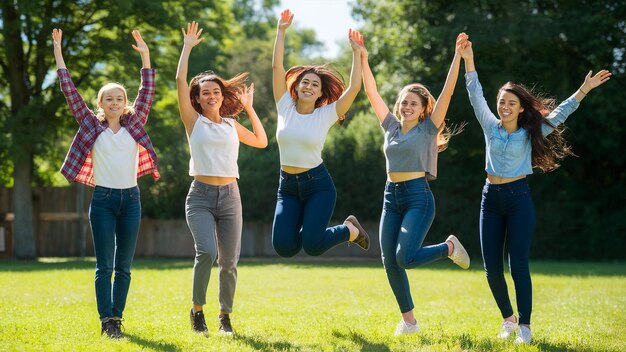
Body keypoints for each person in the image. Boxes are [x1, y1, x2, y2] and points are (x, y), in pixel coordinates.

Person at [459, 38, 611, 344]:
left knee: (518, 266)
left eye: (511, 103)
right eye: (502, 101)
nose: (504, 106)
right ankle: (508, 319)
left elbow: (560, 114)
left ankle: (525, 326)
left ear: (520, 108)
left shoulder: (532, 132)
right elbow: (475, 94)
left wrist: (585, 89)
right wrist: (468, 59)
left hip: (518, 200)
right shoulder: (490, 126)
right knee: (491, 269)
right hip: (490, 199)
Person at [361, 32, 472, 336]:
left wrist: (457, 57)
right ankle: (409, 322)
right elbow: (371, 92)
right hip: (390, 197)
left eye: (413, 103)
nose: (406, 106)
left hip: (417, 197)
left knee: (404, 257)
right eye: (403, 102)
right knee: (389, 260)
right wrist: (362, 56)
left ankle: (448, 247)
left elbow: (448, 93)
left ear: (423, 108)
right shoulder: (391, 128)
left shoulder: (428, 128)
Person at [53, 28, 159, 338]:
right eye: (108, 98)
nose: (114, 102)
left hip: (131, 201)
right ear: (100, 103)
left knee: (124, 267)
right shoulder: (90, 124)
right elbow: (69, 89)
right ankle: (106, 321)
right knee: (104, 267)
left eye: (119, 98)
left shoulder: (135, 123)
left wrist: (144, 53)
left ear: (125, 102)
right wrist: (59, 52)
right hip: (102, 200)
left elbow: (148, 88)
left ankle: (117, 318)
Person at [176, 21, 268, 336]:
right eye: (206, 93)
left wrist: (250, 108)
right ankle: (197, 311)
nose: (212, 96)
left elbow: (261, 140)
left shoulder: (230, 125)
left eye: (216, 91)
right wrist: (187, 46)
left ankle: (224, 316)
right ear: (197, 99)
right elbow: (179, 79)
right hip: (200, 196)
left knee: (228, 262)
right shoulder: (193, 122)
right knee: (207, 253)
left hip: (230, 196)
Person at [271, 9, 370, 258]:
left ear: (319, 93)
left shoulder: (325, 114)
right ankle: (313, 231)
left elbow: (354, 87)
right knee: (284, 247)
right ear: (297, 86)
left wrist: (357, 54)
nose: (309, 86)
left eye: (315, 84)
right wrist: (280, 30)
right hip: (287, 187)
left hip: (318, 186)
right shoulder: (284, 106)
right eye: (305, 81)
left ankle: (349, 230)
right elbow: (276, 66)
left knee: (313, 246)